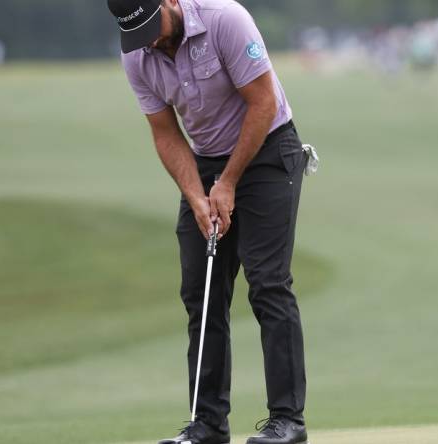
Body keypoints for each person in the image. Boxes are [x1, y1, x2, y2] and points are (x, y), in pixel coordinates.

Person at [106, 1, 309, 443]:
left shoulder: (225, 20)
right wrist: (196, 195)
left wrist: (230, 181)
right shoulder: (137, 55)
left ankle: (287, 421)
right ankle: (208, 425)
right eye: (138, 35)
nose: (152, 41)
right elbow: (164, 132)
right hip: (204, 164)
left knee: (268, 282)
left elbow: (262, 102)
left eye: (151, 26)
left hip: (268, 152)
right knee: (202, 292)